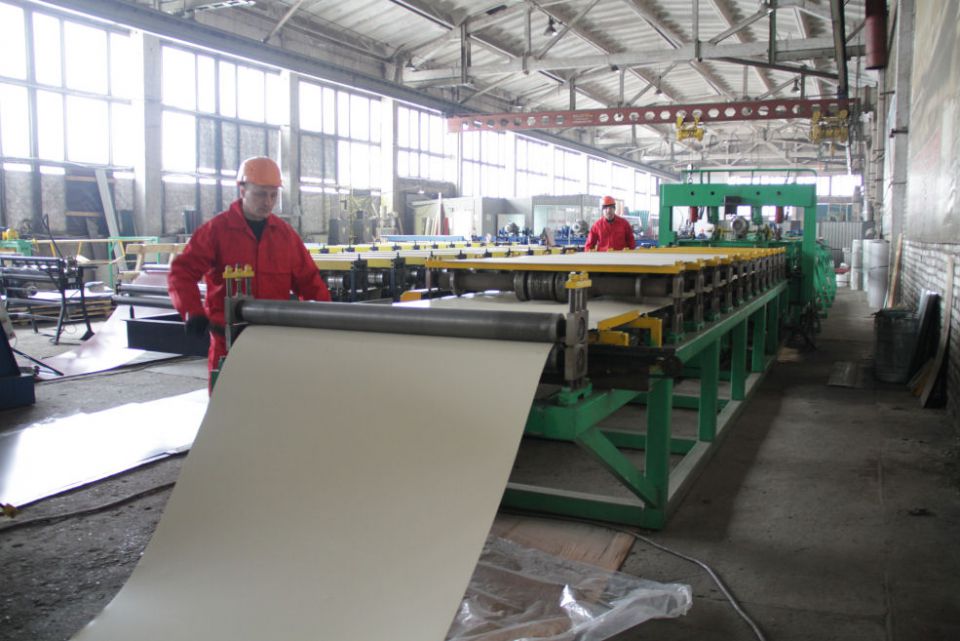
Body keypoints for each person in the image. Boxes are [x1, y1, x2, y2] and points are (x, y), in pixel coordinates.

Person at [168, 156, 331, 387]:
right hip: (229, 342)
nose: (268, 202)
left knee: (273, 399)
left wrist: (326, 321)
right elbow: (181, 273)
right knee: (228, 402)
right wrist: (192, 310)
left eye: (273, 195)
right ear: (242, 190)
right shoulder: (217, 231)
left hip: (275, 341)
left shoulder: (285, 236)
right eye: (261, 194)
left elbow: (310, 282)